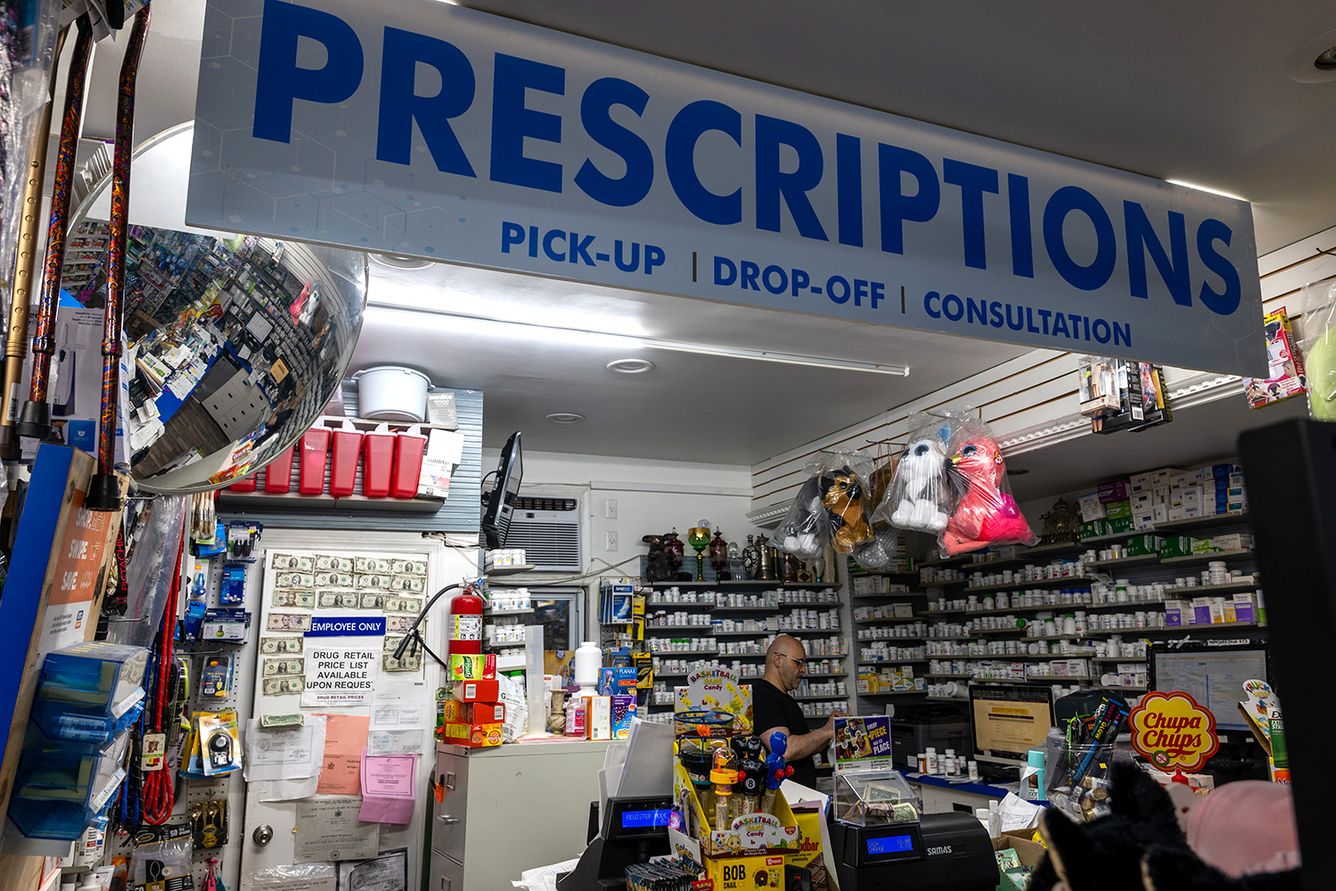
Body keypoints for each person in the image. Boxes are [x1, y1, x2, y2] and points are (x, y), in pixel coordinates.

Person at [752, 634, 841, 788]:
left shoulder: (786, 699)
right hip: (784, 801)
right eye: (798, 663)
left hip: (800, 798)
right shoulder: (763, 696)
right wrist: (826, 731)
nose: (803, 670)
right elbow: (784, 750)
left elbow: (804, 747)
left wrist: (830, 731)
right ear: (778, 660)